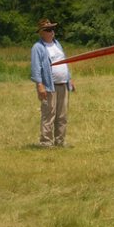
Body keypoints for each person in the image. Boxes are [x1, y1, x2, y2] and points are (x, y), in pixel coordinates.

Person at [30, 19, 74, 148]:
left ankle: (60, 141)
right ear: (42, 33)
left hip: (62, 84)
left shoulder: (57, 44)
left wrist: (69, 78)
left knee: (62, 114)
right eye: (49, 30)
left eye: (52, 29)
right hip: (49, 86)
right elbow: (36, 68)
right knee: (49, 114)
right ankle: (46, 143)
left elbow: (64, 61)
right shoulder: (38, 47)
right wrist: (39, 85)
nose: (52, 32)